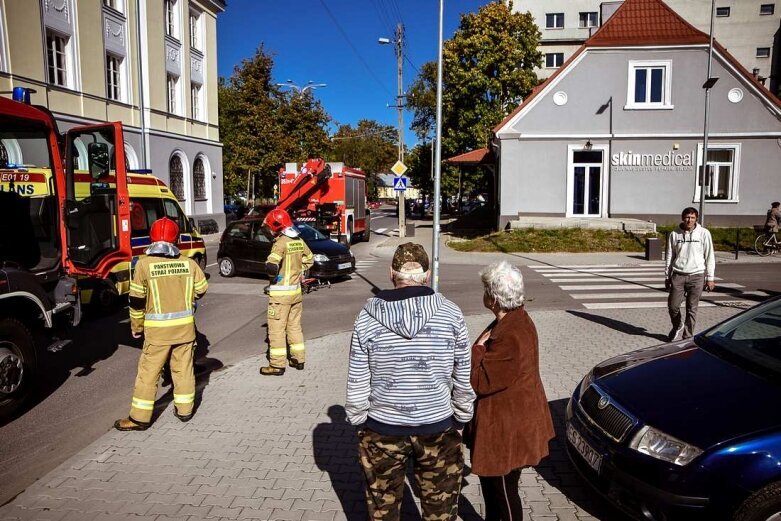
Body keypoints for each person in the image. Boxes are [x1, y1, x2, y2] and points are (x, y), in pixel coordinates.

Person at [345, 242, 475, 521]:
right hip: (439, 426)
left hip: (382, 428)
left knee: (383, 512)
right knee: (440, 513)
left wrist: (358, 420)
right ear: (427, 275)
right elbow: (462, 373)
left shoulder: (367, 317)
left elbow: (357, 377)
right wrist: (462, 417)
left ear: (392, 273)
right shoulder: (451, 313)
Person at [464, 261, 554, 521]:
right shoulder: (514, 320)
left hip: (506, 430)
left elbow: (481, 381)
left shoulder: (510, 333)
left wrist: (477, 349)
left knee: (503, 492)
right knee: (495, 491)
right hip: (511, 423)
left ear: (493, 298)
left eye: (485, 289)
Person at [114, 217, 208, 431]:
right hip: (185, 330)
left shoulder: (143, 265)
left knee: (149, 374)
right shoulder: (188, 263)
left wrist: (136, 327)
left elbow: (136, 301)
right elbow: (202, 288)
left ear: (152, 238)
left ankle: (139, 419)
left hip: (157, 334)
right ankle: (185, 411)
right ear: (175, 239)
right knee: (183, 370)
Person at [259, 208, 313, 376]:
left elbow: (271, 265)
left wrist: (275, 277)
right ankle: (298, 359)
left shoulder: (281, 242)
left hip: (280, 296)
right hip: (296, 294)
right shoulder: (298, 240)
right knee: (294, 327)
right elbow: (309, 259)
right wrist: (297, 272)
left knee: (276, 330)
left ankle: (276, 365)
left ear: (276, 226)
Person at [665, 207, 715, 341]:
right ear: (682, 217)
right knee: (673, 306)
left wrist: (710, 278)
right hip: (678, 275)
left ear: (696, 219)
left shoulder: (704, 233)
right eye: (687, 217)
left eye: (692, 218)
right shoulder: (674, 234)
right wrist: (667, 276)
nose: (689, 220)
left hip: (697, 275)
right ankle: (677, 325)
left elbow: (710, 256)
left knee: (692, 309)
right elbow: (670, 256)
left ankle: (687, 337)